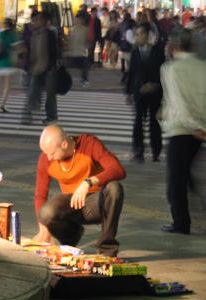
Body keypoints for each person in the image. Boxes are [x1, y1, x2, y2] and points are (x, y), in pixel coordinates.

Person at [159, 29, 206, 234]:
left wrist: (192, 125)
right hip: (200, 131)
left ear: (173, 47)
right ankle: (205, 205)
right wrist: (205, 126)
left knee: (176, 180)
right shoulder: (205, 68)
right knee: (186, 173)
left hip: (180, 129)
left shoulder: (171, 68)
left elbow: (178, 102)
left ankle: (181, 223)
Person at [32, 125, 126, 257]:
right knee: (46, 213)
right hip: (72, 205)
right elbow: (40, 194)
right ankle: (71, 237)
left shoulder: (89, 144)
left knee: (114, 188)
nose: (48, 158)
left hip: (96, 203)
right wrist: (44, 229)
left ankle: (107, 248)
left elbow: (118, 169)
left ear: (64, 144)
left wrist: (88, 182)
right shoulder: (46, 159)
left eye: (52, 153)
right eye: (46, 153)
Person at [126, 22, 165, 162]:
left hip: (155, 92)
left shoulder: (158, 51)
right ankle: (138, 149)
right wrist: (129, 92)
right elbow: (131, 73)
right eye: (137, 34)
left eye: (141, 34)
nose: (138, 37)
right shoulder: (135, 52)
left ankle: (156, 151)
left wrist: (154, 84)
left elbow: (163, 72)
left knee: (154, 123)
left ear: (148, 35)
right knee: (138, 122)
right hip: (139, 92)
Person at [24, 11, 58, 125]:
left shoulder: (50, 34)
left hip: (49, 68)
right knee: (32, 91)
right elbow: (31, 51)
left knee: (50, 94)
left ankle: (51, 116)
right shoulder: (34, 34)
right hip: (36, 68)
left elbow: (55, 51)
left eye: (38, 20)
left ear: (43, 21)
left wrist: (53, 66)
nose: (35, 22)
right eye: (35, 20)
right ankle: (28, 114)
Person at [0, 18, 21, 112]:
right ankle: (3, 104)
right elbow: (17, 48)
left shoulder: (0, 34)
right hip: (9, 62)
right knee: (7, 85)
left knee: (0, 81)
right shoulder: (13, 35)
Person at [64, 13, 90, 87]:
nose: (77, 21)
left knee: (84, 68)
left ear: (82, 21)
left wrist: (87, 47)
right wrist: (67, 49)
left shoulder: (85, 30)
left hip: (81, 52)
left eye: (78, 20)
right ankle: (66, 81)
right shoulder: (71, 30)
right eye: (76, 19)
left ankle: (85, 80)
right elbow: (69, 40)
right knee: (67, 67)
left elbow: (87, 40)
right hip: (73, 52)